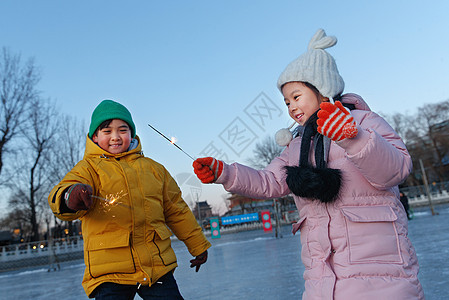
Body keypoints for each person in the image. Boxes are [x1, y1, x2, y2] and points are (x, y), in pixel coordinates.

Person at [192, 29, 424, 299]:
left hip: (380, 273)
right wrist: (226, 172)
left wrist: (353, 138)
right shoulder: (296, 144)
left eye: (297, 96)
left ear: (322, 89)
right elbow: (270, 182)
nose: (291, 106)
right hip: (321, 279)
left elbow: (396, 170)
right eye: (286, 101)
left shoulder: (363, 122)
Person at [48, 100, 211, 299]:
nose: (115, 137)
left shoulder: (154, 169)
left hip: (156, 267)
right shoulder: (87, 169)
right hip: (109, 273)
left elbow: (177, 211)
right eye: (107, 131)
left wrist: (198, 245)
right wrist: (70, 196)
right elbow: (60, 194)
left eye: (122, 130)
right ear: (95, 137)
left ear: (132, 133)